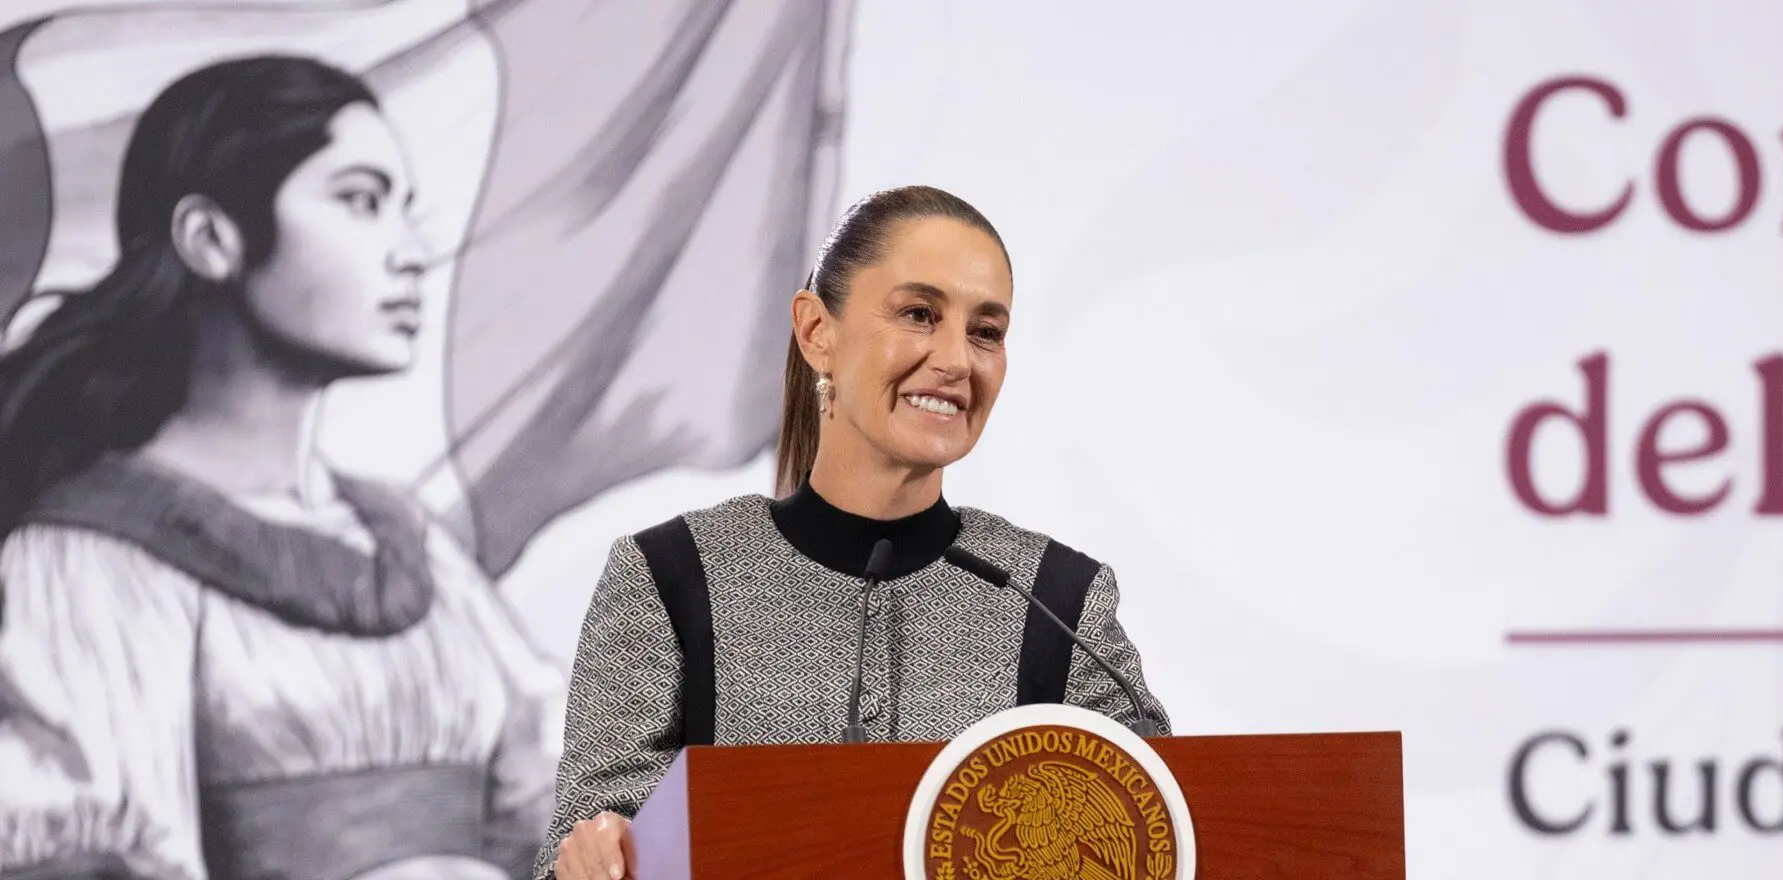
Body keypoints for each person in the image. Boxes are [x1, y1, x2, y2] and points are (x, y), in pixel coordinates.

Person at [0, 56, 558, 880]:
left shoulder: (414, 548)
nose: (411, 252)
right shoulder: (85, 564)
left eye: (407, 209)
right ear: (211, 239)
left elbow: (565, 816)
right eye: (361, 202)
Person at [537, 185, 1171, 880]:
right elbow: (587, 841)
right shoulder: (668, 577)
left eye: (986, 331)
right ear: (816, 332)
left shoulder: (1059, 599)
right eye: (920, 314)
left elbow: (1164, 827)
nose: (958, 360)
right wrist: (594, 851)